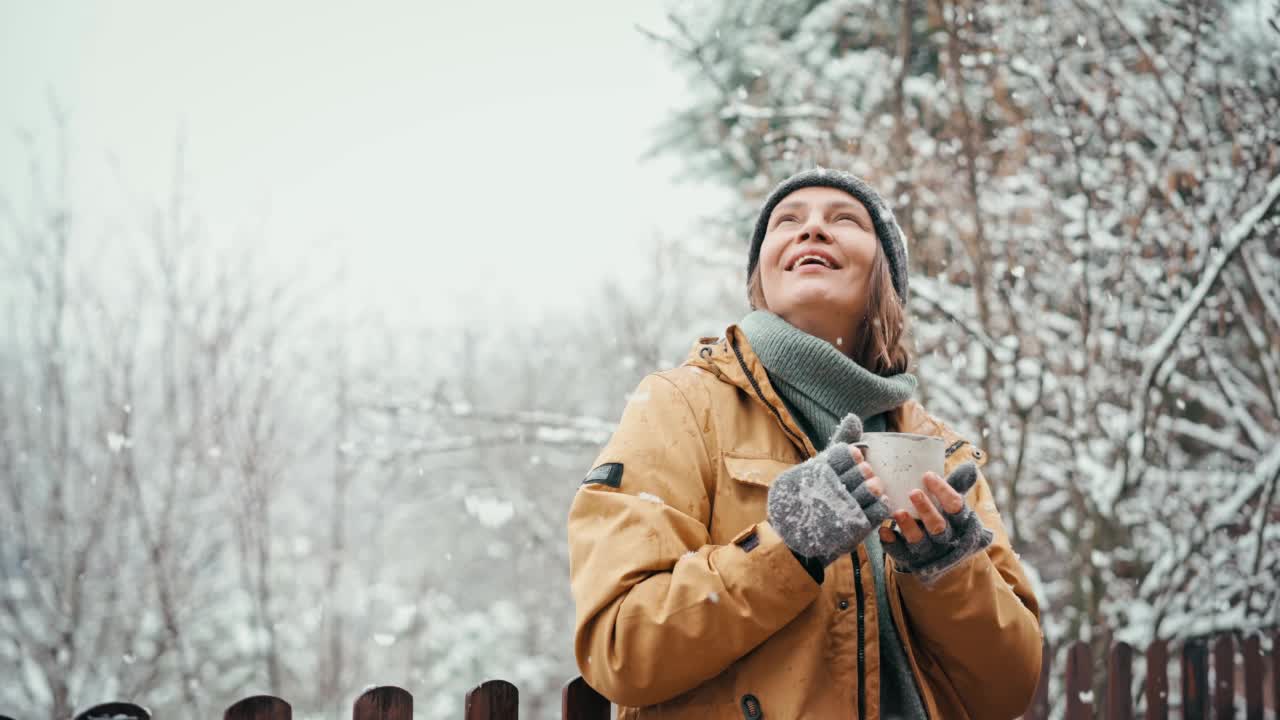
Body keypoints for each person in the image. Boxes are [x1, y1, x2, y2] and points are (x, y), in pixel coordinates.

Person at [567, 168, 1042, 719]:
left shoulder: (940, 450)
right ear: (762, 276)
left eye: (844, 219)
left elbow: (1009, 689)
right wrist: (789, 547)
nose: (812, 229)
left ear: (884, 274)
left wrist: (949, 570)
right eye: (787, 221)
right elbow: (621, 648)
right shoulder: (682, 407)